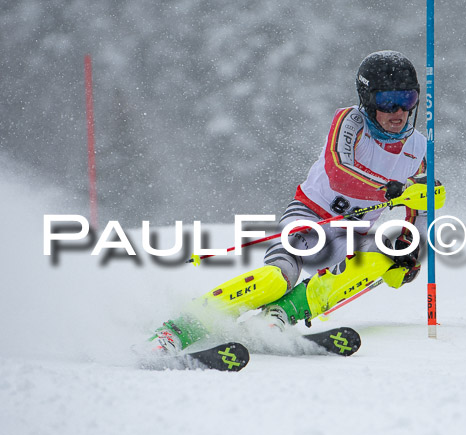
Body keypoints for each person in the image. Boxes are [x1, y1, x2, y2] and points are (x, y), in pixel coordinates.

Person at [151, 50, 439, 353]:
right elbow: (338, 171)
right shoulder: (351, 122)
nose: (399, 111)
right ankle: (179, 329)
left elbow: (420, 208)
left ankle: (279, 316)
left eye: (406, 99)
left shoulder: (418, 148)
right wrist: (388, 191)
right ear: (368, 99)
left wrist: (411, 253)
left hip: (350, 236)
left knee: (382, 255)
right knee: (278, 279)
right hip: (310, 217)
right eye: (387, 101)